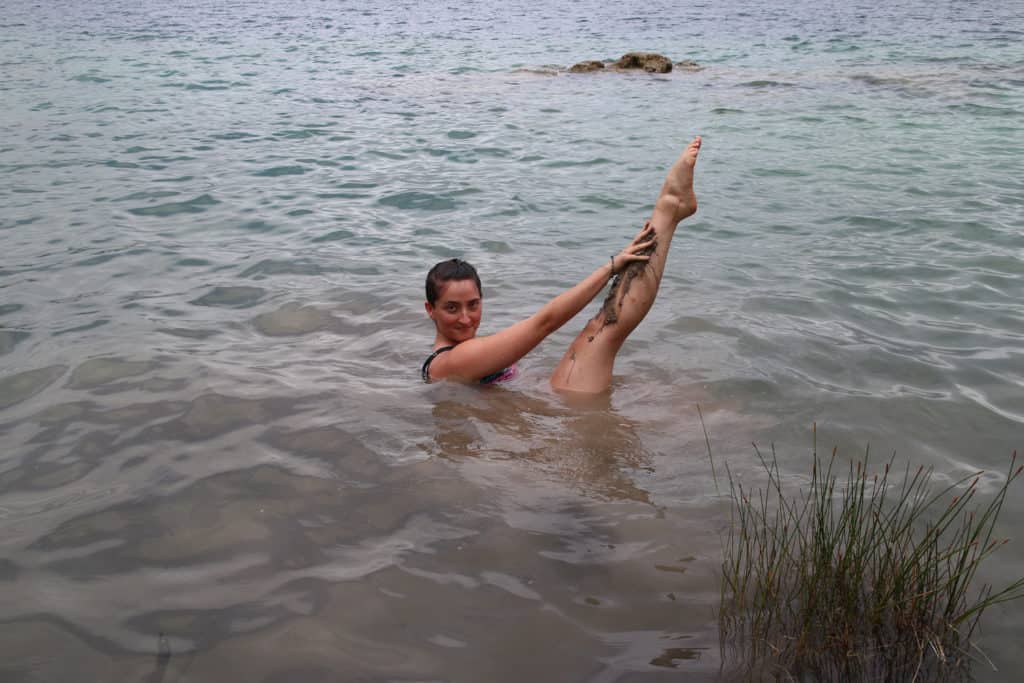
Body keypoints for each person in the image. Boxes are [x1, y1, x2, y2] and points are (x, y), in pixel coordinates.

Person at [422, 136, 702, 394]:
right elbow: (544, 324)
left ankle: (670, 210)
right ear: (430, 309)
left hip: (553, 406)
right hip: (562, 405)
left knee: (605, 328)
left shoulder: (469, 352)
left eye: (473, 304)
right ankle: (668, 209)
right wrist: (610, 268)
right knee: (605, 328)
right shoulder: (449, 362)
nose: (465, 318)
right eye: (451, 308)